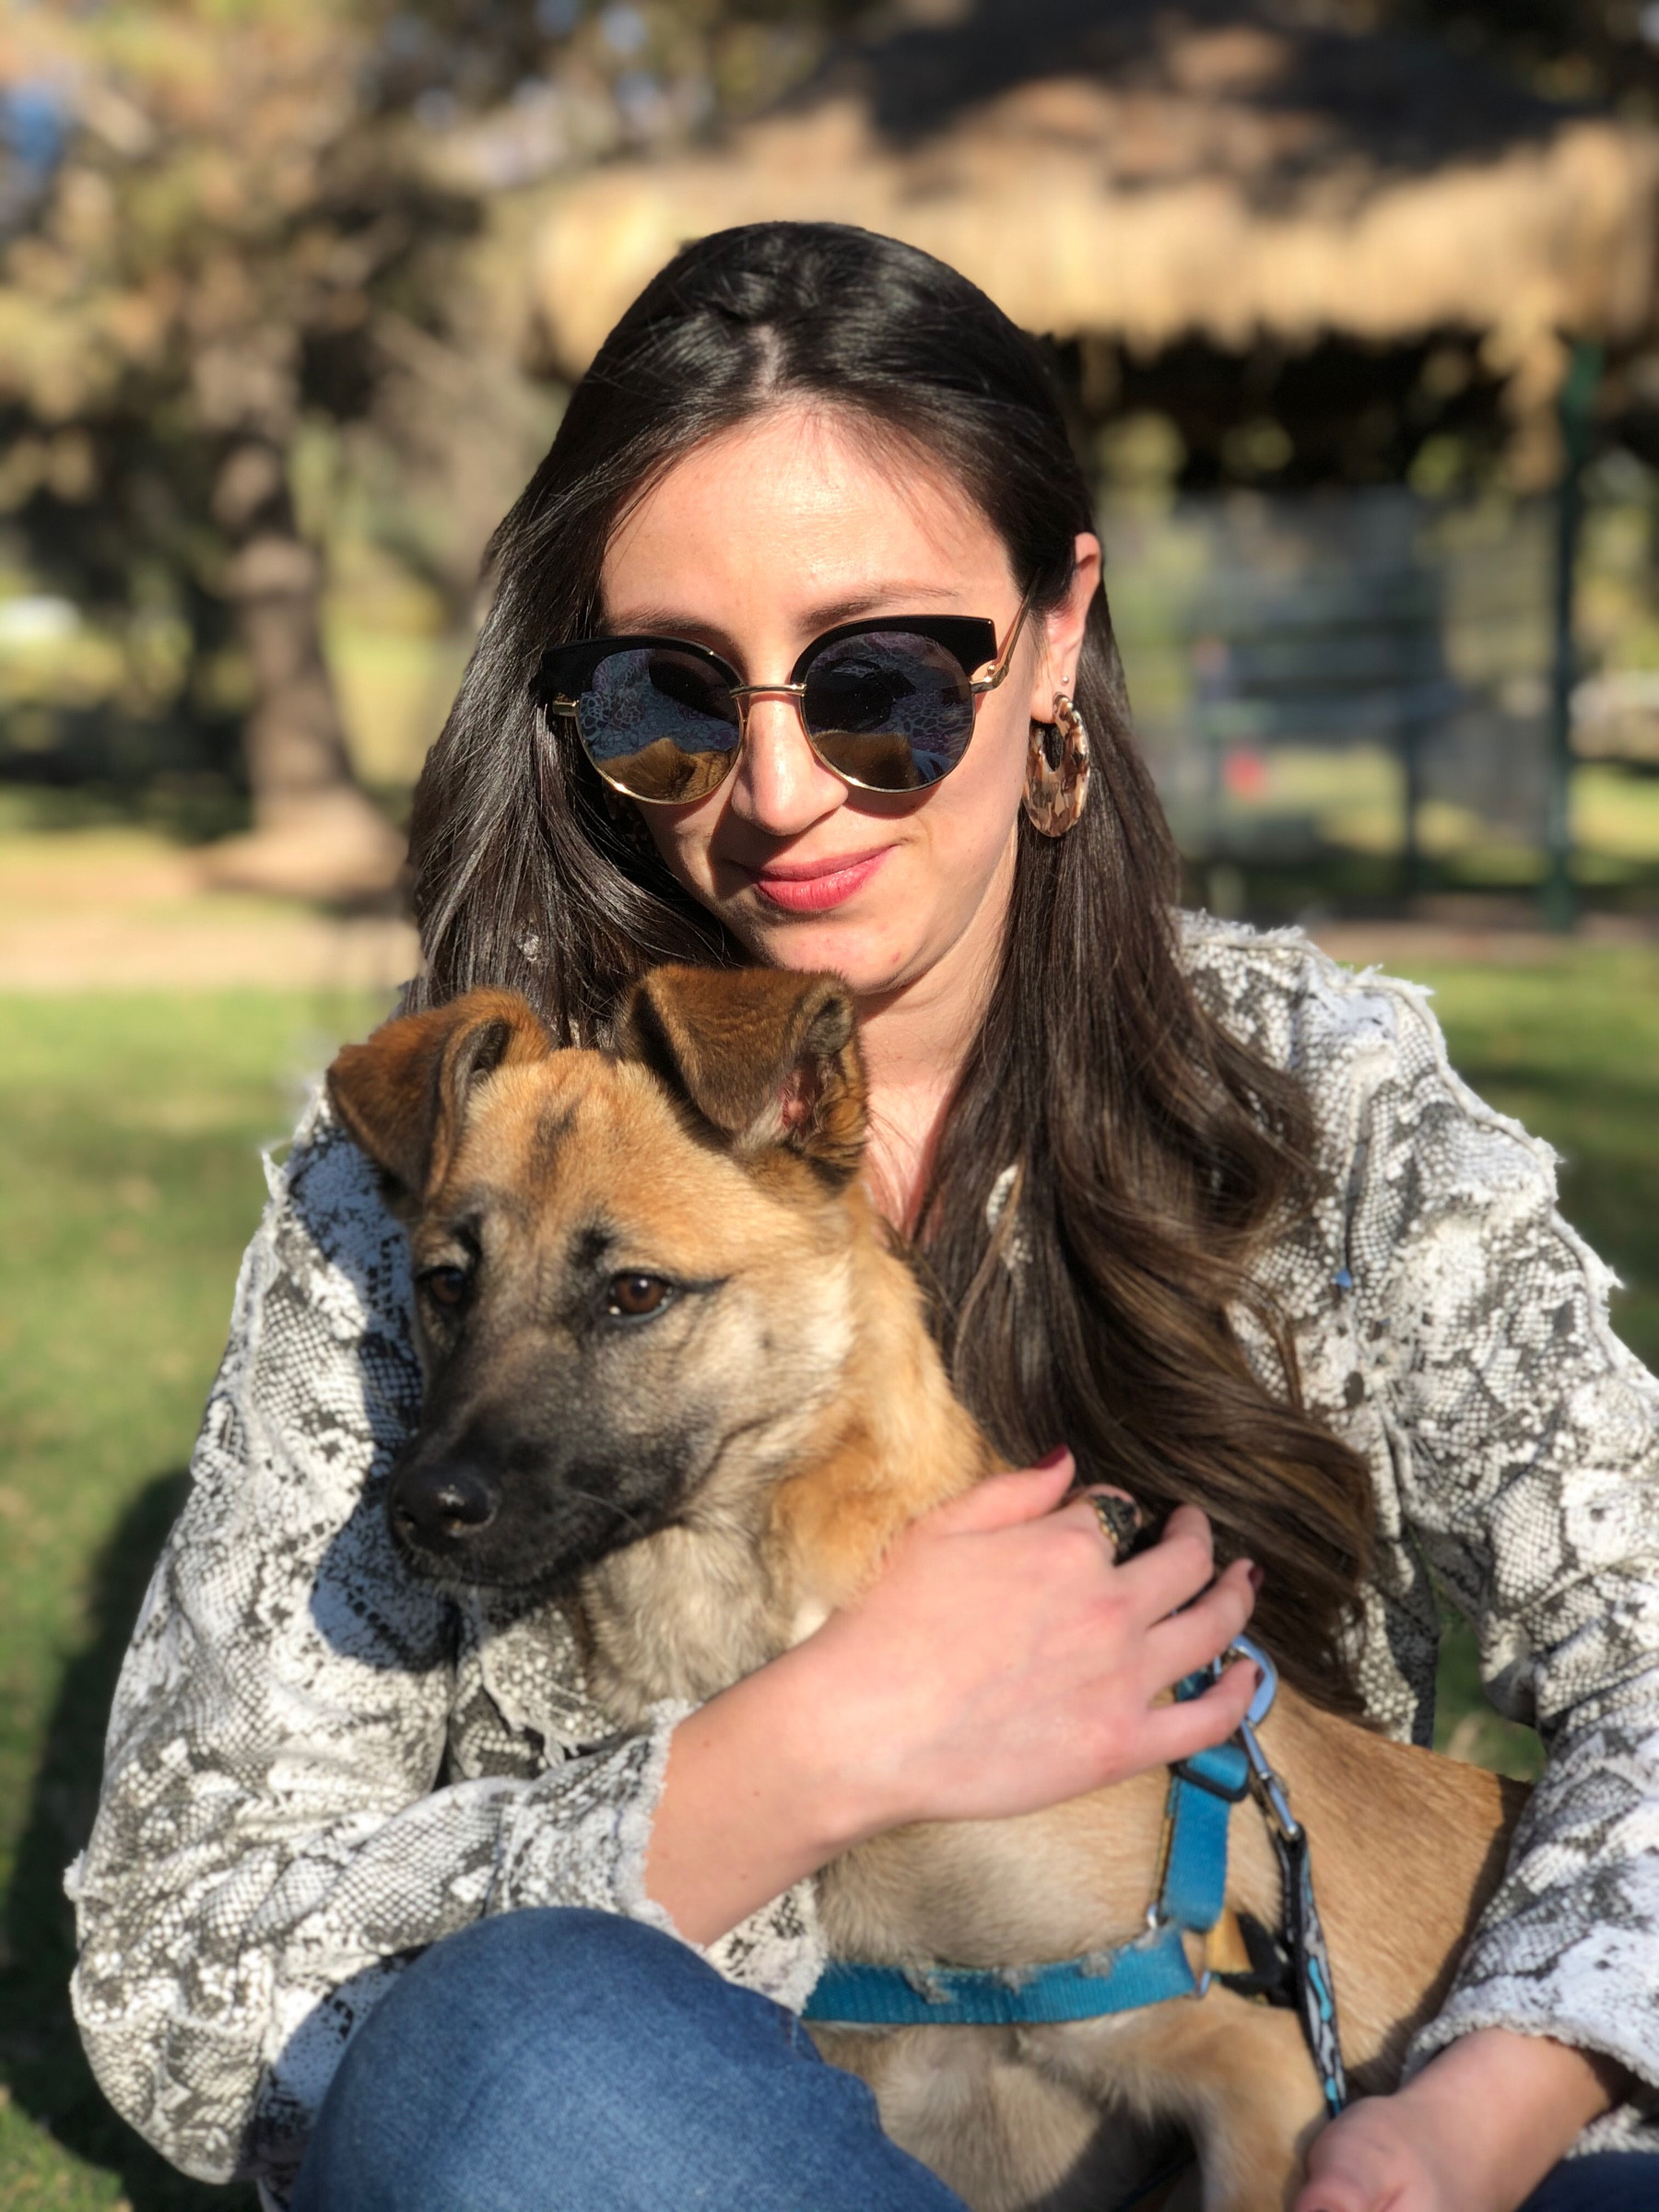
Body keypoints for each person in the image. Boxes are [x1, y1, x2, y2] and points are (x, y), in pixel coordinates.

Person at [70, 224, 1658, 2212]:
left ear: (1055, 638)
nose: (776, 788)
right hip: (746, 2146)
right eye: (667, 692)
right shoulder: (439, 1159)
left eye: (879, 681)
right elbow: (184, 1983)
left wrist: (1464, 2119)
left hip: (1336, 2130)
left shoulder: (1306, 1096)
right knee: (513, 2064)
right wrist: (809, 1756)